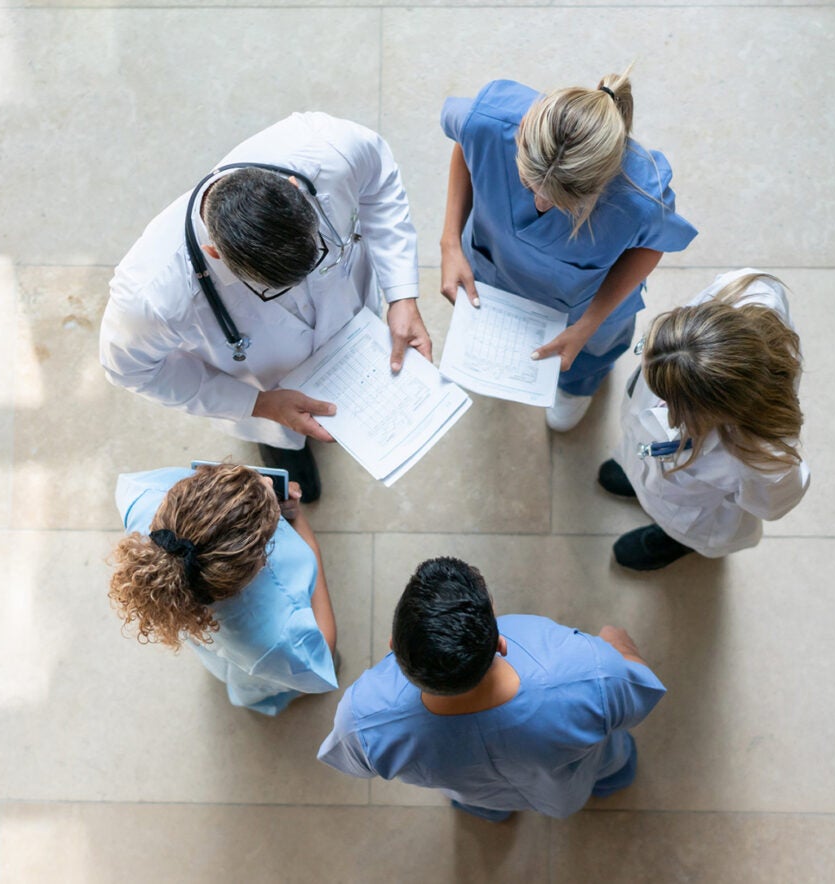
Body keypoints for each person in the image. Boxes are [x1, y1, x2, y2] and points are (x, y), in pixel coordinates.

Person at [100, 113, 433, 501]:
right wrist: (258, 403)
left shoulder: (327, 149)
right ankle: (286, 453)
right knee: (285, 449)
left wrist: (402, 293)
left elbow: (380, 180)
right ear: (214, 254)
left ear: (296, 189)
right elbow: (129, 369)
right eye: (273, 289)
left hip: (353, 325)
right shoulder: (150, 296)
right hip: (266, 386)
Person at [438, 70, 698, 432]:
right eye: (529, 183)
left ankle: (576, 388)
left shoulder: (640, 198)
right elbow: (467, 145)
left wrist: (588, 326)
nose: (541, 204)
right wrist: (450, 243)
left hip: (587, 307)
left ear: (604, 184)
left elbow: (653, 245)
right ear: (520, 134)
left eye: (562, 201)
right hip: (493, 263)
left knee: (587, 357)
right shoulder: (489, 121)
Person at [317, 557, 665, 820]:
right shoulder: (591, 674)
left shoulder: (362, 719)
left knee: (483, 804)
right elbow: (640, 695)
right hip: (564, 789)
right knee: (611, 767)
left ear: (393, 645)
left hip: (477, 793)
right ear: (500, 643)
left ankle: (494, 815)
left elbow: (351, 762)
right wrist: (618, 645)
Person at [599, 269, 810, 571]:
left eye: (666, 401)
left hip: (690, 512)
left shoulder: (764, 460)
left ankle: (674, 541)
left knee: (683, 523)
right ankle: (639, 477)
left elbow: (771, 505)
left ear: (704, 411)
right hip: (652, 452)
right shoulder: (746, 291)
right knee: (642, 456)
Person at [111, 463, 338, 715]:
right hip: (256, 659)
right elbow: (322, 653)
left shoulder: (144, 495)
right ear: (258, 565)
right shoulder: (275, 637)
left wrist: (238, 491)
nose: (269, 482)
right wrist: (301, 528)